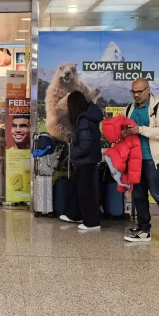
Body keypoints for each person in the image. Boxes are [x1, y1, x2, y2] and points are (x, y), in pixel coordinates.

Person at [122, 78, 159, 243]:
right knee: (138, 194)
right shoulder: (130, 108)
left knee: (156, 193)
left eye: (140, 91)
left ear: (148, 90)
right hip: (136, 158)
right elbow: (126, 130)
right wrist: (125, 133)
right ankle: (143, 229)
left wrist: (140, 129)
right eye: (133, 92)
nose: (136, 95)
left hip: (153, 157)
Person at [59, 90, 104, 232]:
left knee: (86, 192)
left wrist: (73, 154)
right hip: (85, 160)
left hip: (86, 161)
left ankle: (92, 223)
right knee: (76, 189)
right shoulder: (86, 117)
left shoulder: (85, 120)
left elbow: (86, 144)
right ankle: (75, 215)